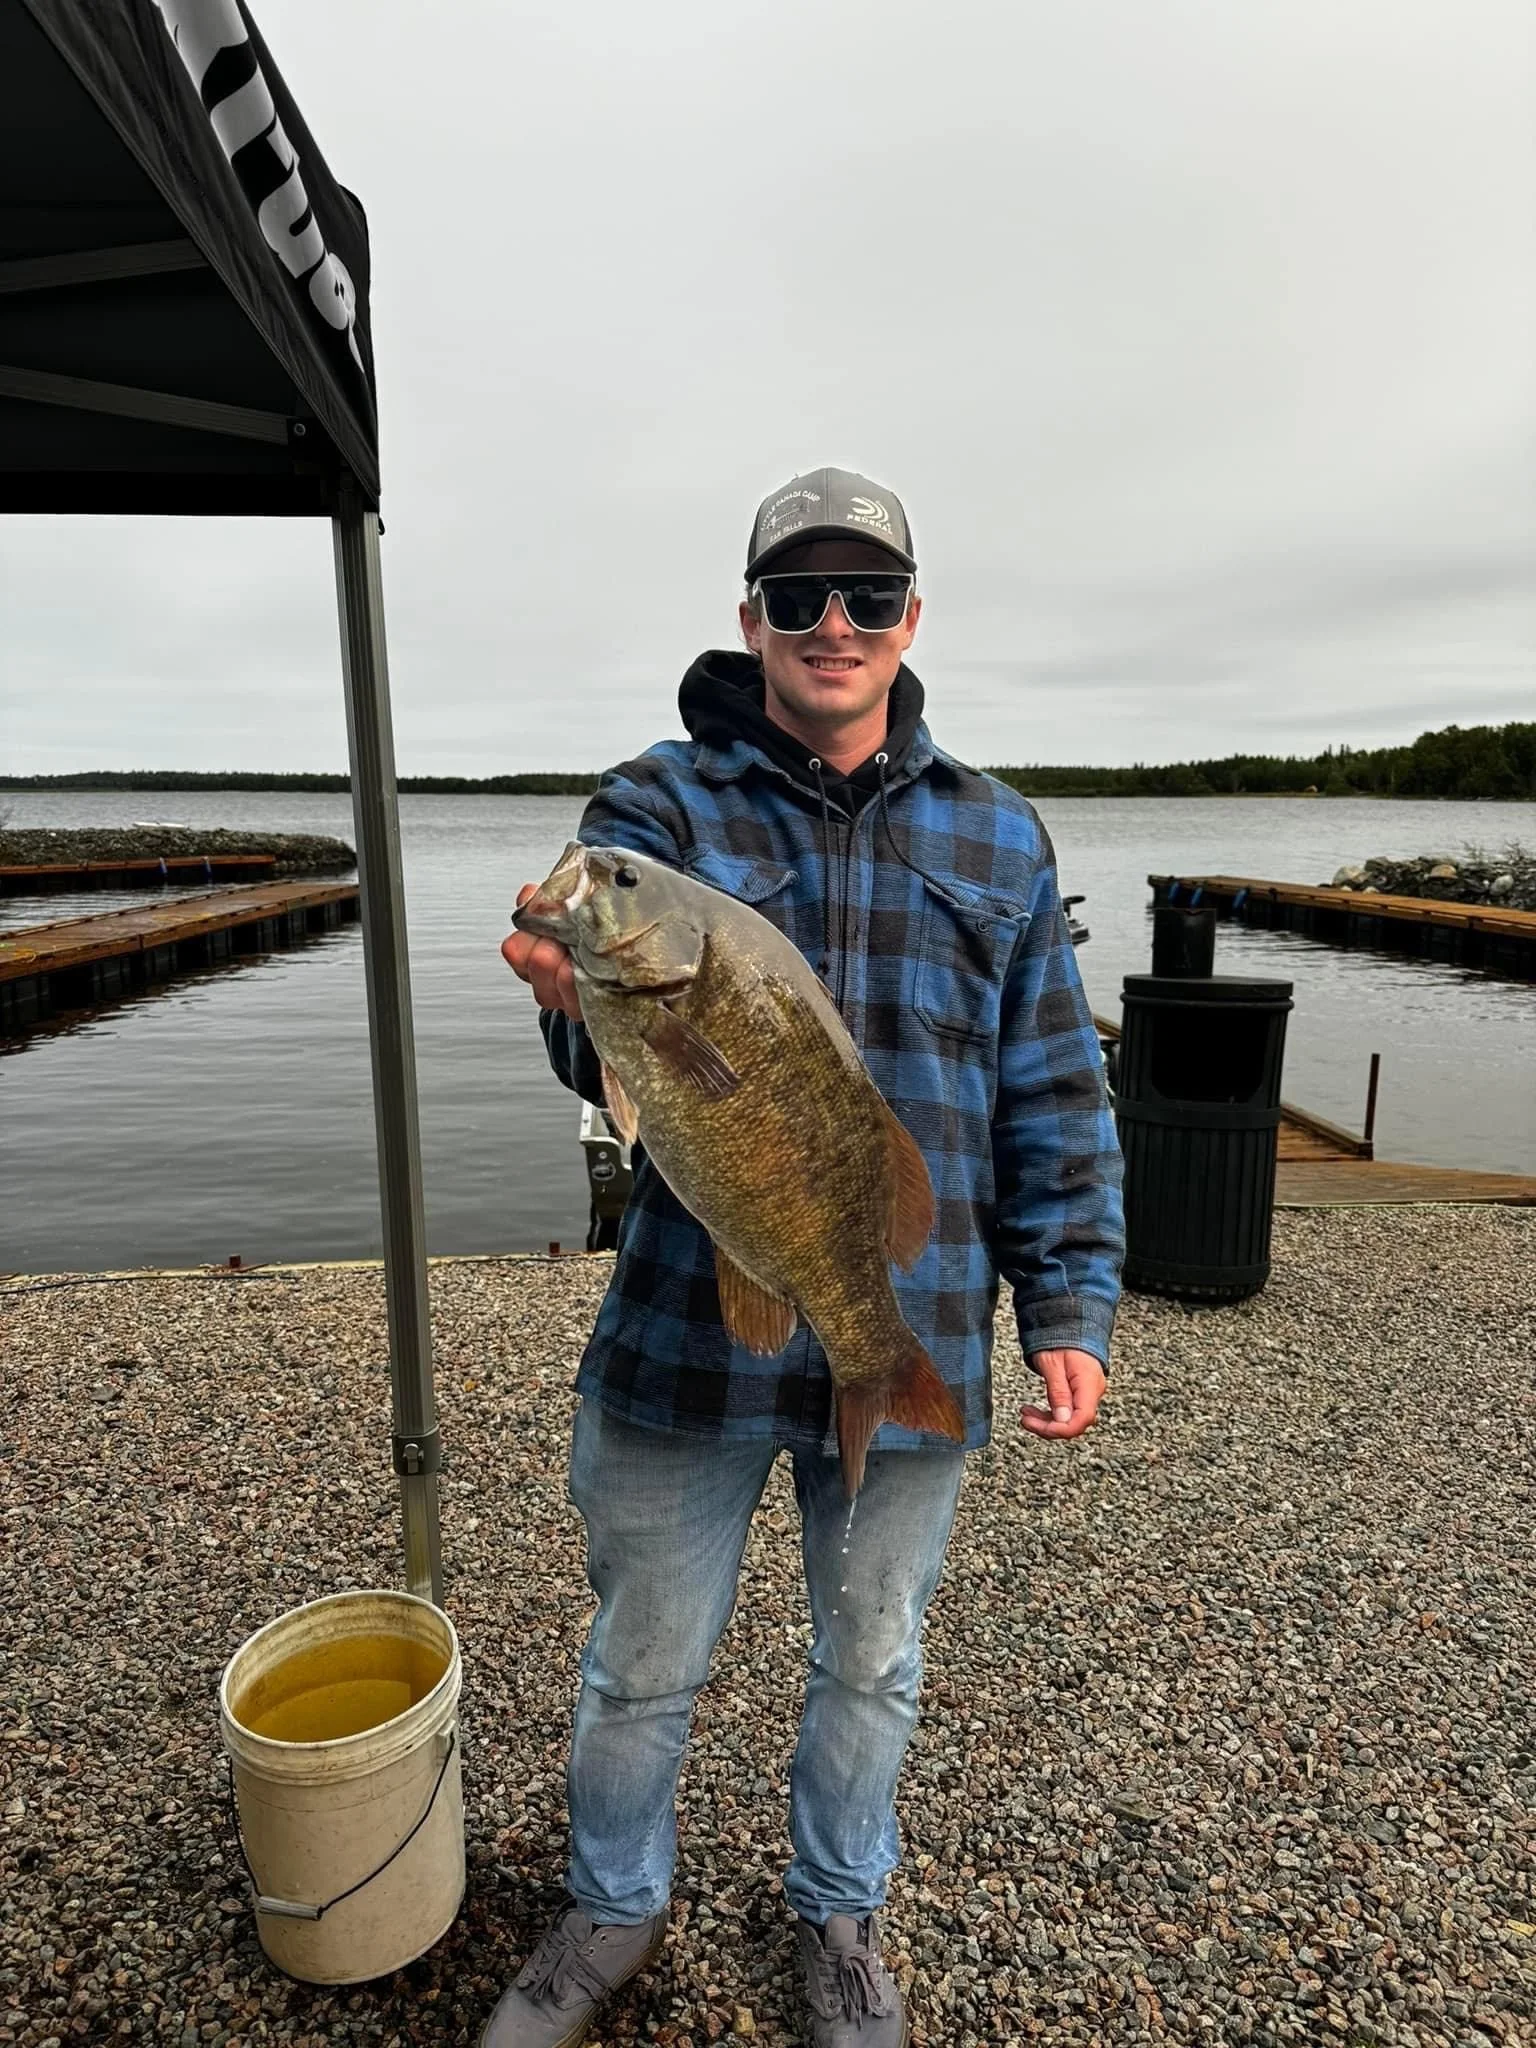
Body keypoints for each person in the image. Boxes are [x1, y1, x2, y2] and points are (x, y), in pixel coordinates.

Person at [488, 467, 1124, 2048]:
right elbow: (605, 1075)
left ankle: (839, 1916)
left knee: (876, 1662)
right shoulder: (656, 809)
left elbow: (1050, 1083)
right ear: (751, 618)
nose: (832, 626)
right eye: (797, 596)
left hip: (897, 1309)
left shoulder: (999, 829)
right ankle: (613, 1903)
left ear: (911, 618)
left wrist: (1072, 1300)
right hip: (681, 1332)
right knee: (641, 1661)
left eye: (865, 597)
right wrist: (581, 1004)